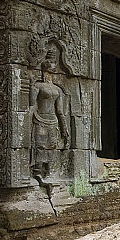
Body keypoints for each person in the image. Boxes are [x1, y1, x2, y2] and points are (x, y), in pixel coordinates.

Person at [30, 48, 69, 181]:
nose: (50, 71)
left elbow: (60, 111)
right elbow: (32, 105)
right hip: (39, 118)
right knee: (40, 145)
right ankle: (38, 170)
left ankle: (51, 171)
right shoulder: (38, 86)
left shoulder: (57, 89)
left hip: (53, 120)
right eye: (48, 67)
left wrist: (64, 129)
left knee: (52, 146)